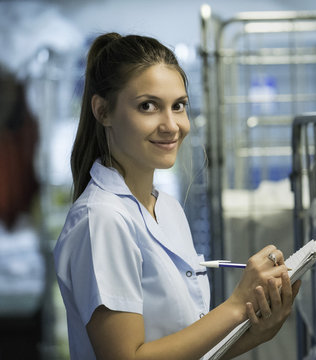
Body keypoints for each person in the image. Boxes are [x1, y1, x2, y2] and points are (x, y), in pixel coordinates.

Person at [53, 32, 301, 360]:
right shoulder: (102, 219)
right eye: (148, 106)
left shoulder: (167, 208)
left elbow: (186, 348)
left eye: (178, 106)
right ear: (103, 111)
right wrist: (237, 306)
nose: (171, 125)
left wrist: (258, 331)